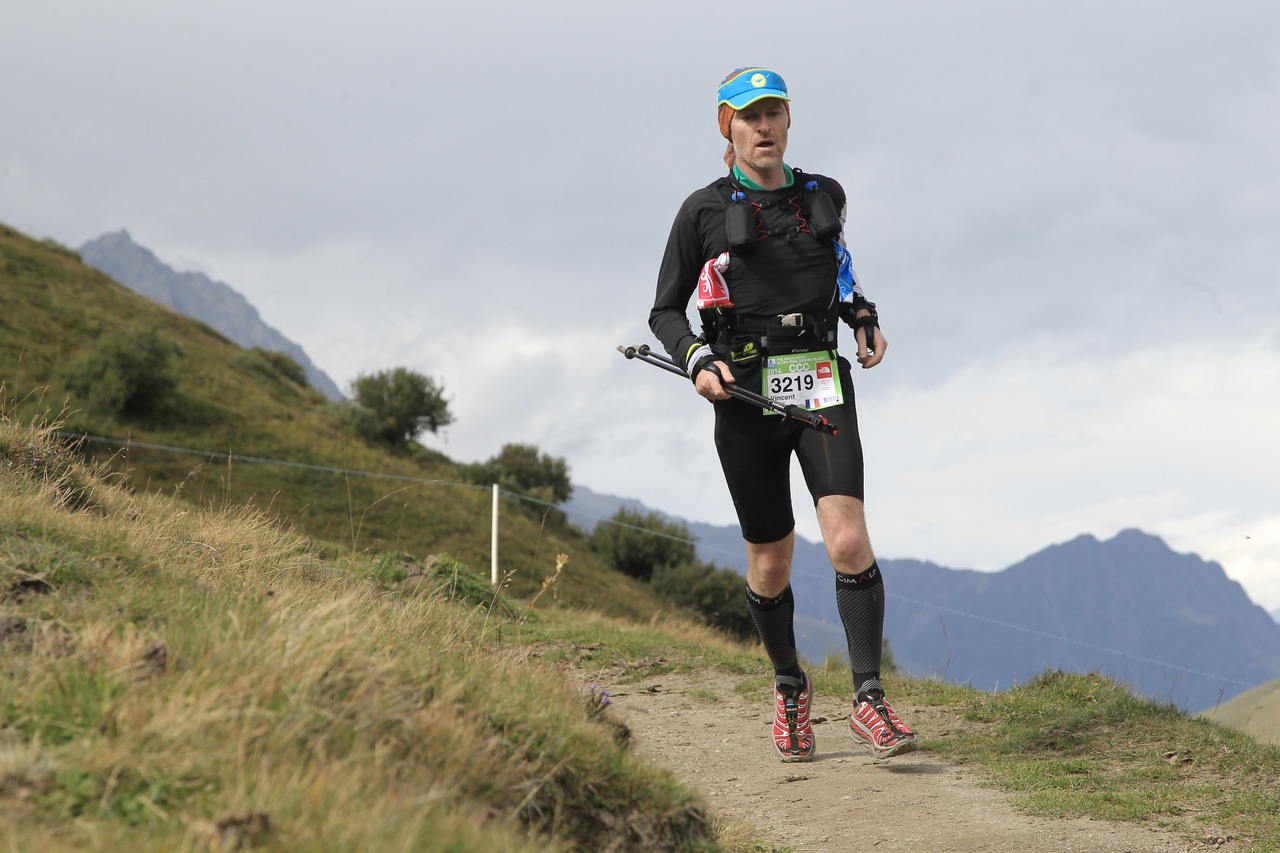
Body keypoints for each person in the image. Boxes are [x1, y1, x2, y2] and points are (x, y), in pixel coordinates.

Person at [649, 66, 918, 762]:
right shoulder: (701, 210)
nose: (763, 127)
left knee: (849, 540)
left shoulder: (824, 194)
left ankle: (868, 699)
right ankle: (791, 686)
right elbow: (664, 310)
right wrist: (695, 361)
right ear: (726, 127)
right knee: (770, 562)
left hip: (820, 377)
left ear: (789, 120)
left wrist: (863, 315)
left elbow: (838, 268)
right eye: (748, 116)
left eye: (773, 113)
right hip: (743, 392)